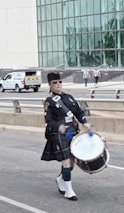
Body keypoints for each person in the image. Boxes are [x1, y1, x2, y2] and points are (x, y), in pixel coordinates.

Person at [41, 72, 91, 201]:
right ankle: (69, 191)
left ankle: (60, 178)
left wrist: (85, 122)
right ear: (50, 85)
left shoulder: (69, 97)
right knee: (66, 161)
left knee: (72, 162)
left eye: (59, 82)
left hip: (72, 130)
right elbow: (48, 120)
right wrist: (58, 126)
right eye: (54, 83)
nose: (58, 85)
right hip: (59, 133)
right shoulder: (49, 101)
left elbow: (79, 112)